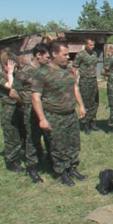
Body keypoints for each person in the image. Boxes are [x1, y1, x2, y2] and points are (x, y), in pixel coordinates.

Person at [31, 41, 87, 187]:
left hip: (70, 113)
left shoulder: (68, 69)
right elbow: (35, 97)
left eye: (68, 54)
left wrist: (80, 105)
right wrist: (42, 118)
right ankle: (62, 172)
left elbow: (74, 87)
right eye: (65, 54)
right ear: (54, 54)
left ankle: (72, 167)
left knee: (73, 143)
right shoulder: (42, 73)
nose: (68, 57)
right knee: (58, 145)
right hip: (54, 115)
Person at [11, 43, 50, 183]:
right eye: (47, 57)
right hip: (30, 110)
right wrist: (27, 102)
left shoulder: (46, 70)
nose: (49, 59)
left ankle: (49, 162)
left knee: (48, 136)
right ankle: (32, 167)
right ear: (38, 55)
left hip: (45, 108)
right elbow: (13, 92)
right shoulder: (25, 71)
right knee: (32, 139)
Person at [0, 50, 25, 173]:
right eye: (10, 65)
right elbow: (12, 89)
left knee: (23, 135)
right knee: (12, 137)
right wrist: (10, 74)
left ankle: (24, 155)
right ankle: (11, 161)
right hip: (9, 110)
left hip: (19, 109)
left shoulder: (15, 75)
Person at [72, 38, 100, 134]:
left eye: (93, 45)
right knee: (86, 102)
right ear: (86, 44)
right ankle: (85, 124)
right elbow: (74, 68)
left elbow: (95, 66)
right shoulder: (81, 55)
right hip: (85, 81)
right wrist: (75, 80)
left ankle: (92, 121)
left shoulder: (94, 54)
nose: (92, 47)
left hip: (93, 80)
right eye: (90, 45)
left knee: (95, 102)